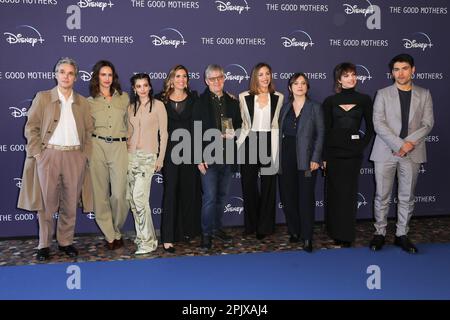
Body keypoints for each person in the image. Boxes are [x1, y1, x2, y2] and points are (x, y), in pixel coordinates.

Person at [17, 57, 93, 261]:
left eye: (70, 73)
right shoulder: (42, 98)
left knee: (70, 203)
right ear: (55, 74)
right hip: (48, 156)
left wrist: (84, 155)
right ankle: (44, 244)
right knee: (46, 204)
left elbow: (89, 130)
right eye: (62, 72)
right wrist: (38, 154)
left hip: (75, 156)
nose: (66, 76)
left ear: (75, 78)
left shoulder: (83, 102)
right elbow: (31, 126)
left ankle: (66, 242)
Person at [369, 54, 434, 254]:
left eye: (404, 68)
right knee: (382, 195)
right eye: (396, 69)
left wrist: (408, 144)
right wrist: (399, 144)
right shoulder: (382, 93)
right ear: (392, 72)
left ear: (413, 70)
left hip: (412, 153)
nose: (400, 73)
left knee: (407, 196)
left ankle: (401, 235)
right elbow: (378, 123)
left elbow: (428, 124)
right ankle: (380, 233)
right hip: (385, 152)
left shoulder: (424, 94)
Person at [323, 62, 374, 247]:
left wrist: (360, 145)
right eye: (346, 75)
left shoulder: (364, 99)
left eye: (353, 74)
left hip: (353, 155)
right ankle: (334, 230)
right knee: (335, 193)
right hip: (334, 154)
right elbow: (325, 131)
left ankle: (346, 233)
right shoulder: (330, 101)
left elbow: (370, 128)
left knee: (349, 194)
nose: (351, 78)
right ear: (339, 79)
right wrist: (324, 157)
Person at [193, 64, 242, 250]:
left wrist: (234, 132)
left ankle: (216, 228)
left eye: (219, 77)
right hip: (208, 158)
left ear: (224, 78)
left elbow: (238, 124)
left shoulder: (232, 102)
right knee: (210, 197)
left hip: (228, 156)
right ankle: (206, 234)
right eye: (212, 79)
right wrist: (198, 157)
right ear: (206, 81)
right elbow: (195, 131)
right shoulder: (199, 103)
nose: (216, 81)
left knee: (222, 196)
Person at [237, 62, 284, 240]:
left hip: (269, 142)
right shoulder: (244, 97)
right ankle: (251, 224)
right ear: (255, 77)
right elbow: (242, 122)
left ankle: (265, 226)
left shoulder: (278, 97)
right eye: (261, 74)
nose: (265, 78)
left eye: (268, 74)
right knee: (248, 185)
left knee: (269, 186)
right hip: (250, 141)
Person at [278, 73, 324, 252]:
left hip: (306, 157)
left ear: (307, 87)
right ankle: (294, 231)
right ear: (290, 88)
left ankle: (307, 236)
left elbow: (321, 135)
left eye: (303, 83)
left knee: (305, 197)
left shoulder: (315, 107)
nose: (299, 86)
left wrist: (315, 158)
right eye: (295, 83)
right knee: (288, 196)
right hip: (286, 155)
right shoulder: (285, 107)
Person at [157, 65, 201, 253]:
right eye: (178, 76)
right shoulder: (161, 100)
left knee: (189, 193)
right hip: (170, 153)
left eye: (184, 76)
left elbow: (199, 125)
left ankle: (186, 232)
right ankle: (168, 237)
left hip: (190, 153)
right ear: (171, 79)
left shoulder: (195, 99)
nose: (181, 79)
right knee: (170, 193)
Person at [88, 60, 130, 250]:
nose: (106, 78)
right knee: (100, 194)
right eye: (103, 74)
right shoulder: (89, 101)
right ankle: (110, 235)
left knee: (120, 195)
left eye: (110, 75)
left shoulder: (124, 98)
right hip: (97, 146)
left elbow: (131, 124)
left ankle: (116, 229)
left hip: (120, 147)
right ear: (97, 76)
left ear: (114, 77)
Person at [127, 73, 168, 255]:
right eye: (139, 86)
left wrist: (160, 158)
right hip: (130, 157)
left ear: (150, 87)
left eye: (145, 85)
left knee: (140, 199)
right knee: (132, 200)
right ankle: (142, 237)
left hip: (148, 157)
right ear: (134, 89)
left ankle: (149, 242)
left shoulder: (158, 106)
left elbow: (164, 134)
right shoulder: (131, 107)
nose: (142, 89)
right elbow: (129, 133)